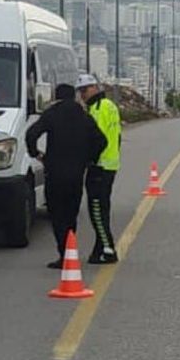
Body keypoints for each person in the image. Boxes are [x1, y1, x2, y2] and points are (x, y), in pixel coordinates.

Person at [26, 84, 107, 269]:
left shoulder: (51, 114)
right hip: (76, 174)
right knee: (71, 214)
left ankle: (63, 254)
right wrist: (88, 159)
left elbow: (31, 134)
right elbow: (101, 141)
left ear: (56, 96)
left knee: (56, 214)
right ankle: (70, 251)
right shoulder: (83, 116)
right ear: (74, 96)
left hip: (54, 172)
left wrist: (37, 155)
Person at [76, 74, 122, 264]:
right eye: (80, 91)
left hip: (100, 166)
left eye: (85, 90)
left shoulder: (98, 109)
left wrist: (88, 159)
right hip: (110, 164)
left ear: (94, 88)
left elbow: (97, 140)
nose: (83, 95)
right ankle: (98, 250)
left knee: (96, 211)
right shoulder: (108, 105)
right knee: (101, 208)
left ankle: (108, 248)